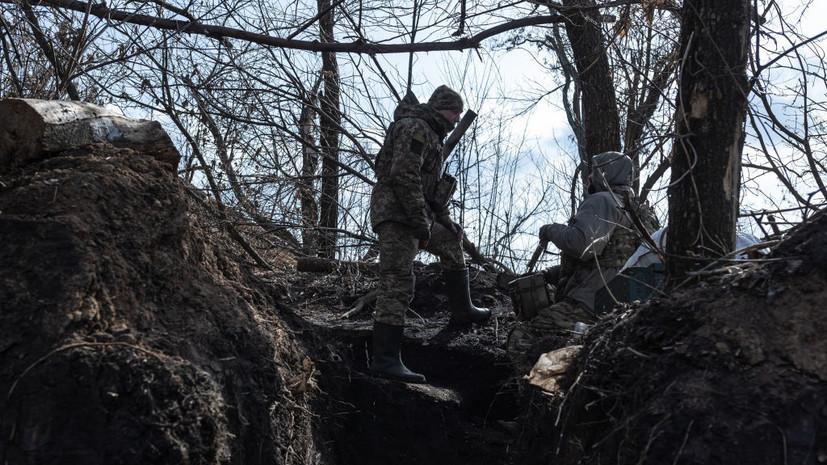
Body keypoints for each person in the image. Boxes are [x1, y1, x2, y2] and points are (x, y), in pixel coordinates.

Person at [368, 85, 491, 383]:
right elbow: (404, 175)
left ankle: (462, 310)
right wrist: (418, 220)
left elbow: (428, 188)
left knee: (450, 242)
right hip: (398, 215)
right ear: (441, 108)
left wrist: (445, 221)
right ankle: (385, 360)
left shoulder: (433, 135)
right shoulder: (416, 128)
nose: (456, 119)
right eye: (454, 112)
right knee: (397, 280)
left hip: (415, 213)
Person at [508, 151, 659, 356]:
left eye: (593, 172)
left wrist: (549, 230)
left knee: (523, 336)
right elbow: (611, 259)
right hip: (629, 304)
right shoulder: (639, 210)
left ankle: (532, 387)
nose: (589, 177)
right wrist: (552, 273)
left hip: (594, 302)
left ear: (605, 174)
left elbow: (583, 246)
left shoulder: (602, 200)